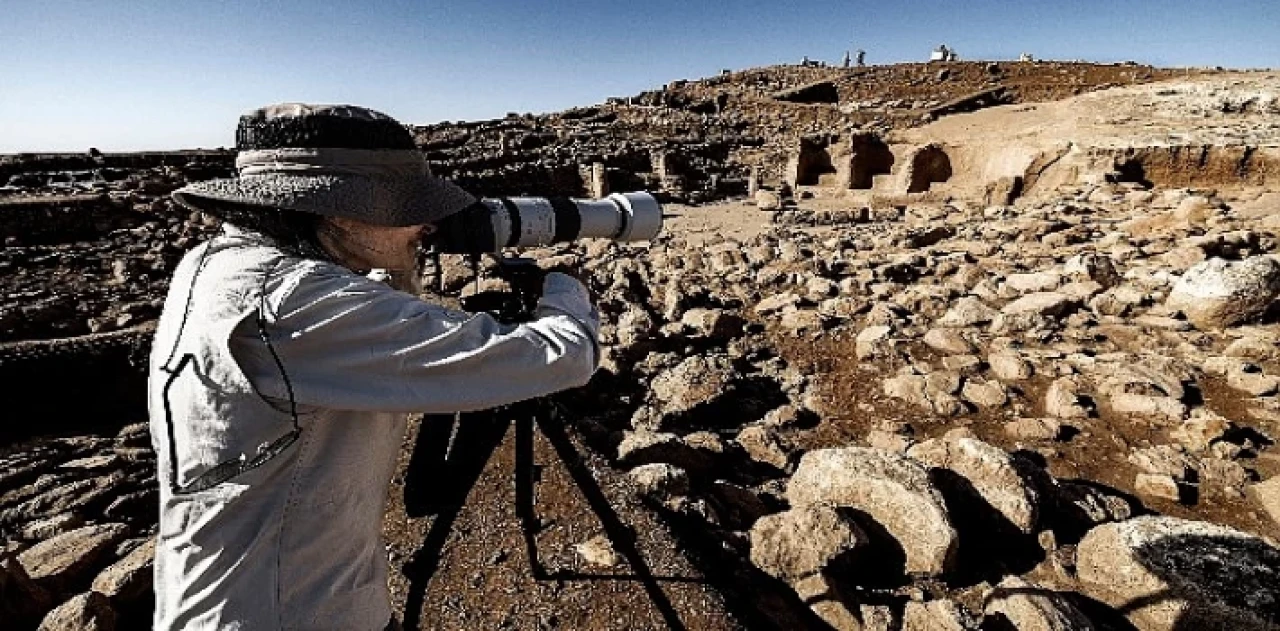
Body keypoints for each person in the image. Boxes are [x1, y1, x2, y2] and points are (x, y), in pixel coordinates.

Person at [148, 103, 600, 630]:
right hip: (293, 611)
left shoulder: (219, 263)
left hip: (229, 597)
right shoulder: (296, 302)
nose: (425, 223)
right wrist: (565, 291)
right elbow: (560, 356)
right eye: (407, 206)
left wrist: (397, 264)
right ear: (337, 211)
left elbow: (362, 315)